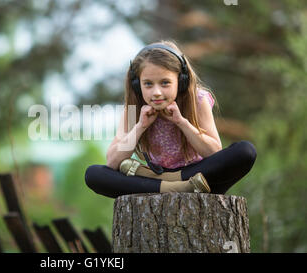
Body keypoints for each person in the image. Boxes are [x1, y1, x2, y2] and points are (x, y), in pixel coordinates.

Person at [85, 40, 257, 199]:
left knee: (245, 151)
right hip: (162, 176)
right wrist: (140, 127)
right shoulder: (134, 107)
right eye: (148, 84)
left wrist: (182, 122)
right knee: (94, 174)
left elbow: (214, 153)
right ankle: (175, 187)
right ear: (138, 85)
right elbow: (113, 162)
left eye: (165, 83)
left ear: (180, 81)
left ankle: (165, 184)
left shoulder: (197, 100)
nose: (157, 92)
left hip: (197, 173)